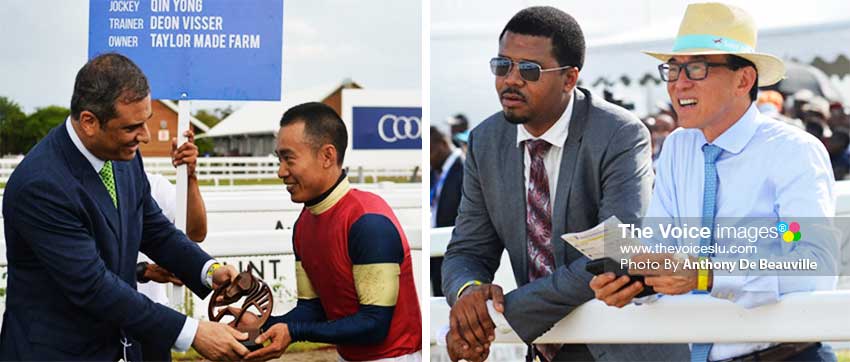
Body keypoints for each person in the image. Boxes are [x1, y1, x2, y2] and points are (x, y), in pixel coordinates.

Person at [590, 3, 838, 361]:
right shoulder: (678, 146)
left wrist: (706, 274)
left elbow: (810, 264)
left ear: (744, 80)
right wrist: (631, 280)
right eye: (673, 69)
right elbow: (661, 247)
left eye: (697, 68)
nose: (679, 83)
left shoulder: (792, 151)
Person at [441, 6, 687, 362]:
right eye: (502, 65)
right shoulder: (485, 140)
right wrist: (469, 294)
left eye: (529, 69)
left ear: (570, 79)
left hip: (622, 345)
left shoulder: (620, 133)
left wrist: (506, 314)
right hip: (545, 349)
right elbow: (467, 250)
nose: (511, 80)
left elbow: (614, 250)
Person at [0, 52, 248, 361]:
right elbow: (92, 286)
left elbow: (154, 229)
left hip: (119, 346)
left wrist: (208, 270)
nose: (143, 137)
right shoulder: (41, 185)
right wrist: (191, 332)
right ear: (89, 122)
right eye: (133, 127)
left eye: (145, 123)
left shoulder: (122, 156)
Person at [239, 102, 421, 361]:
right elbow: (312, 310)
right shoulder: (304, 222)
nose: (280, 171)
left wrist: (295, 331)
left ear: (327, 156)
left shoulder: (369, 222)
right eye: (278, 158)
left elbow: (375, 325)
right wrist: (259, 326)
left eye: (288, 158)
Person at [137, 128, 209, 361]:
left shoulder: (154, 185)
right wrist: (144, 271)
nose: (144, 136)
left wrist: (189, 177)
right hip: (102, 323)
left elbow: (195, 232)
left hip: (151, 318)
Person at [430, 126, 464, 297]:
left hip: (454, 252)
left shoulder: (464, 168)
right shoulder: (435, 171)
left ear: (443, 144)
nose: (428, 158)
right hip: (436, 251)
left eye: (429, 151)